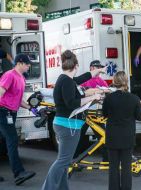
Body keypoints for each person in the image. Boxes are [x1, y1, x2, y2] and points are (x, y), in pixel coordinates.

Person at [42, 50, 102, 190]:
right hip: (68, 126)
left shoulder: (65, 79)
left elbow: (81, 79)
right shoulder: (67, 81)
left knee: (65, 161)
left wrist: (98, 70)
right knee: (63, 161)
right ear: (76, 66)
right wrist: (92, 97)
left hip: (65, 124)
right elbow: (72, 103)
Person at [102, 71, 141, 190]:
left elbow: (104, 114)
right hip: (127, 136)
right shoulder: (134, 98)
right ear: (126, 82)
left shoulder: (108, 98)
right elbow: (139, 117)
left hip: (112, 136)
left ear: (114, 82)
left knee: (113, 167)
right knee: (126, 167)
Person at [0, 54, 37, 185]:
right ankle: (19, 172)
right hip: (3, 112)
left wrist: (31, 108)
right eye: (27, 64)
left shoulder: (21, 78)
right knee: (12, 139)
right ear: (20, 63)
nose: (29, 66)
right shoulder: (9, 75)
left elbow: (18, 99)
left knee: (3, 143)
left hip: (11, 113)